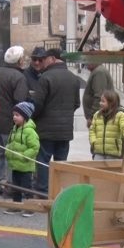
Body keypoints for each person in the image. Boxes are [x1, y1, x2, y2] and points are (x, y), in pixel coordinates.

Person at [32, 48, 81, 194]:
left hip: (46, 130)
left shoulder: (45, 78)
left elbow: (37, 104)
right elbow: (76, 104)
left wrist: (33, 118)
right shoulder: (74, 78)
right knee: (61, 163)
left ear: (52, 59)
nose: (41, 62)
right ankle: (59, 191)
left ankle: (43, 191)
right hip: (65, 130)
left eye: (44, 58)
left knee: (43, 162)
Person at [0, 45, 28, 196]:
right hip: (11, 121)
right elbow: (20, 101)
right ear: (19, 60)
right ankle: (10, 186)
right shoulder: (18, 77)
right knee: (12, 154)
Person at [4, 101, 39, 217]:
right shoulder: (14, 129)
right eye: (14, 114)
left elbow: (34, 147)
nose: (14, 117)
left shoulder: (30, 131)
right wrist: (8, 151)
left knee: (27, 187)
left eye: (17, 115)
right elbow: (11, 143)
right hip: (15, 165)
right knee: (15, 187)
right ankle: (17, 206)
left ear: (25, 116)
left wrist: (24, 155)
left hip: (26, 166)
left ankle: (30, 207)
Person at [89, 89, 124, 160]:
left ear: (111, 103)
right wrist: (93, 142)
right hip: (98, 151)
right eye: (100, 101)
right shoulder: (97, 115)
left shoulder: (120, 115)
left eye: (103, 101)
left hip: (113, 153)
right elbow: (92, 130)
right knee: (96, 170)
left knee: (112, 171)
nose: (100, 103)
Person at [82, 61, 114, 128]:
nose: (85, 62)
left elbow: (99, 96)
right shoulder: (97, 71)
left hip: (100, 117)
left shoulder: (99, 72)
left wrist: (92, 116)